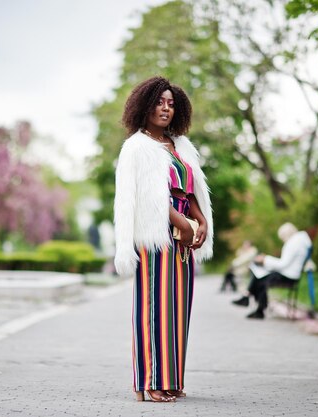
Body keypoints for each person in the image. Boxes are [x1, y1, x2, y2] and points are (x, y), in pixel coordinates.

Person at [114, 76, 213, 402]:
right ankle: (151, 381)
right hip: (156, 239)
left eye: (171, 103)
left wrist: (200, 220)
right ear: (145, 105)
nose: (165, 109)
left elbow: (190, 188)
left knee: (178, 310)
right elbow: (151, 196)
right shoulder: (138, 147)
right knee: (154, 308)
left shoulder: (179, 146)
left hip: (182, 240)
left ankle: (171, 379)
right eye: (159, 102)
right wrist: (181, 223)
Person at [232, 223, 311, 319]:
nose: (282, 240)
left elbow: (283, 264)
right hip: (289, 275)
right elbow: (286, 264)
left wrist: (265, 259)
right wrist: (266, 261)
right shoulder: (298, 241)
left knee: (261, 279)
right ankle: (254, 304)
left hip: (288, 277)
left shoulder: (293, 243)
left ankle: (256, 306)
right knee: (259, 275)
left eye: (282, 237)